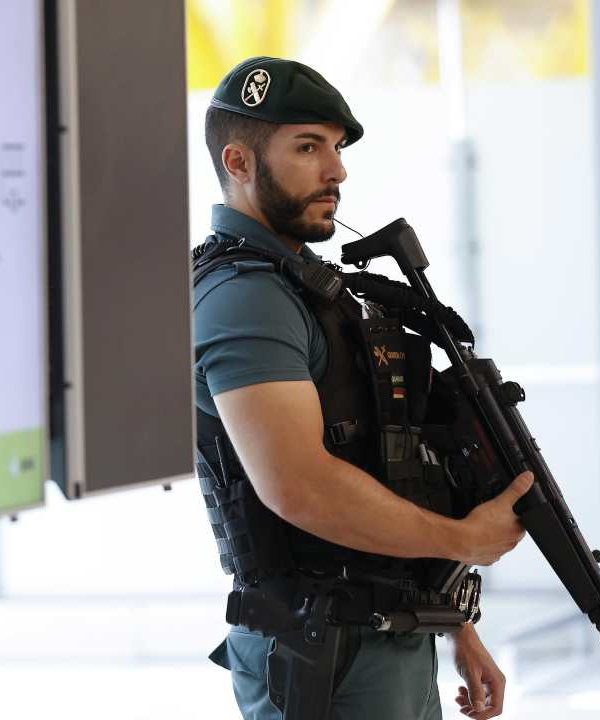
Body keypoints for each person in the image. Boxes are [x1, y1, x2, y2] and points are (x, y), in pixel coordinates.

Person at [192, 56, 535, 720]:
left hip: (379, 634)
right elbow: (301, 487)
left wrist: (451, 619)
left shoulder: (308, 289)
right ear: (238, 164)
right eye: (308, 147)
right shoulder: (246, 298)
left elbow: (377, 465)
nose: (337, 170)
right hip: (321, 649)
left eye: (337, 147)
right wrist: (463, 541)